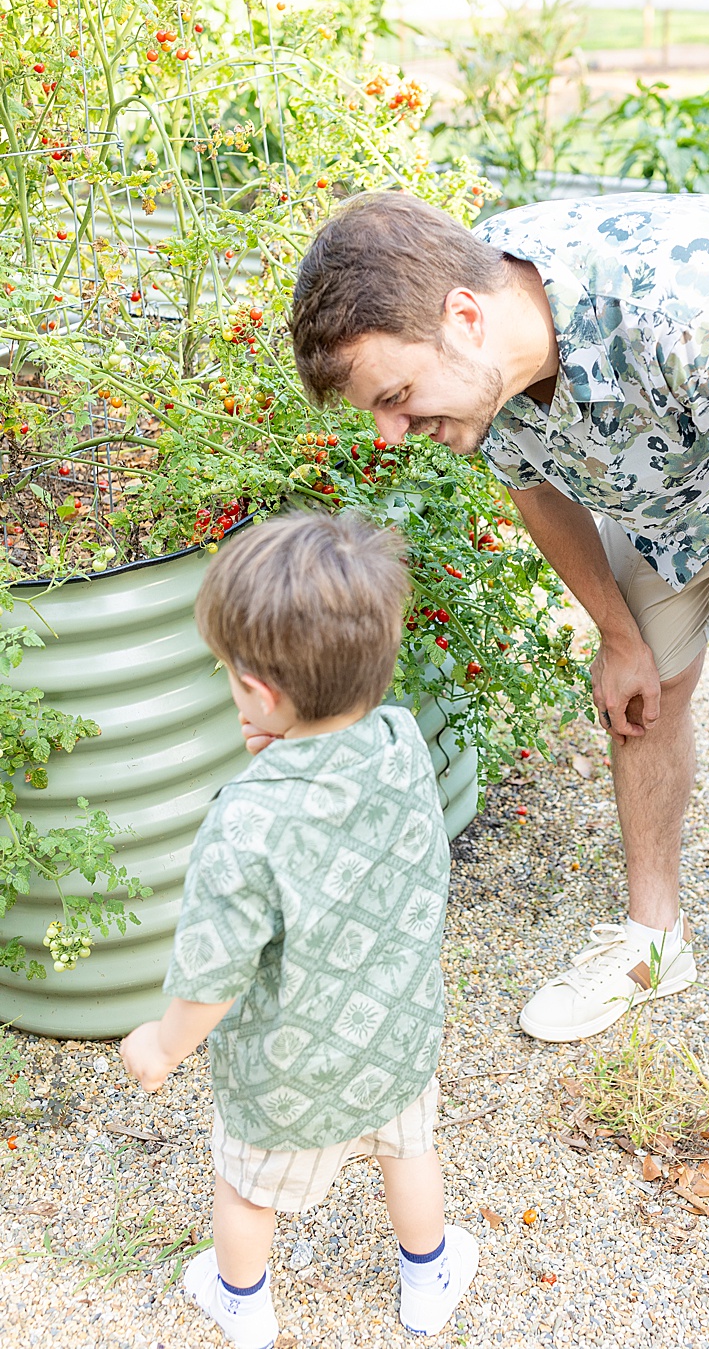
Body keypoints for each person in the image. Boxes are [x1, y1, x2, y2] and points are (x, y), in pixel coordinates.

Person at [288, 190, 709, 1117]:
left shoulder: (693, 312)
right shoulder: (482, 357)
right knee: (639, 694)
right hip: (672, 477)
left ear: (463, 319)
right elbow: (533, 484)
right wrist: (617, 634)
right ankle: (652, 940)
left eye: (394, 399)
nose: (391, 433)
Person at [119, 512, 478, 1348]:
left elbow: (214, 969)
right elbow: (338, 826)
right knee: (408, 1151)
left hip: (288, 1070)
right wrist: (280, 750)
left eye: (229, 669)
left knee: (247, 1189)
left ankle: (241, 1300)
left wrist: (163, 1045)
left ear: (261, 692)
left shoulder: (246, 821)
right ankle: (427, 1282)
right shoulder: (396, 739)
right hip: (391, 1032)